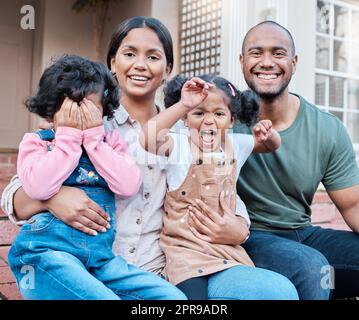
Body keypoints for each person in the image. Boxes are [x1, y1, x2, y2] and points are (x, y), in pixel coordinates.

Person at [1, 17, 298, 300]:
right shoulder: (86, 120)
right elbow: (13, 195)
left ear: (168, 68)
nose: (140, 65)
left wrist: (239, 226)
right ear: (113, 63)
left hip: (157, 270)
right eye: (129, 53)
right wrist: (51, 199)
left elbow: (220, 183)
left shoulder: (186, 131)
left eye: (154, 57)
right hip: (83, 261)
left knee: (277, 291)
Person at [7, 54, 186, 300]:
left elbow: (128, 185)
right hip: (44, 254)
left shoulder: (110, 143)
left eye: (90, 108)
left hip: (100, 261)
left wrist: (94, 141)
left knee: (172, 299)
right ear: (51, 111)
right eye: (73, 106)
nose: (81, 116)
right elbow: (38, 187)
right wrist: (67, 139)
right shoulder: (38, 142)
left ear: (104, 112)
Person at [228, 20, 359, 300]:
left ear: (294, 62)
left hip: (302, 233)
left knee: (319, 268)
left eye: (278, 53)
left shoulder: (326, 128)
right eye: (256, 53)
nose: (266, 62)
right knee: (313, 269)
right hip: (247, 236)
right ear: (241, 61)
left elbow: (353, 205)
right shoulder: (221, 119)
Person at [140, 74, 282, 300]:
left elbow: (269, 146)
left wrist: (270, 134)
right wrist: (183, 104)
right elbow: (147, 138)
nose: (208, 121)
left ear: (232, 120)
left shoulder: (235, 144)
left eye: (218, 114)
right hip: (185, 252)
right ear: (186, 119)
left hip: (225, 249)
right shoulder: (179, 146)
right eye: (198, 113)